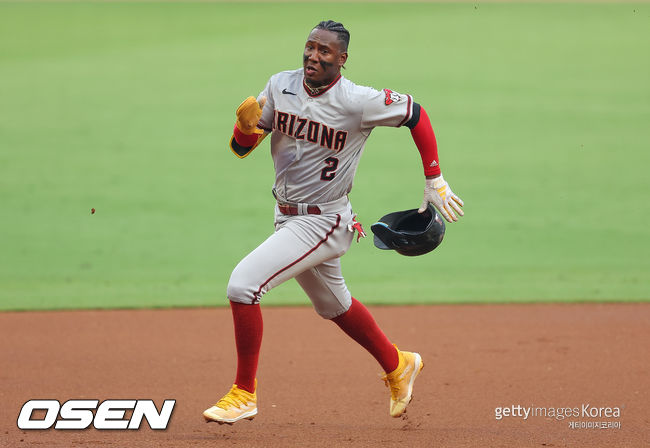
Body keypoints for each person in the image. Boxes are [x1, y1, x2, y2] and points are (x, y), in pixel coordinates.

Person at [203, 20, 464, 425]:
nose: (313, 56)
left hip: (322, 221)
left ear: (341, 60)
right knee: (334, 305)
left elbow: (416, 113)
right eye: (309, 47)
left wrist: (434, 178)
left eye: (325, 51)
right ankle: (399, 365)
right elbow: (242, 148)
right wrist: (244, 126)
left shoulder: (358, 101)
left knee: (243, 286)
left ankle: (244, 393)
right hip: (286, 214)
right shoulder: (279, 85)